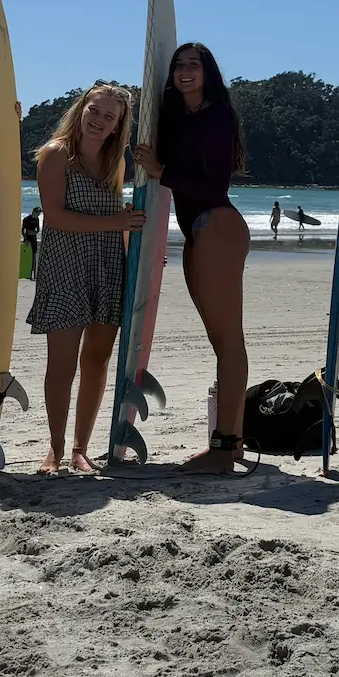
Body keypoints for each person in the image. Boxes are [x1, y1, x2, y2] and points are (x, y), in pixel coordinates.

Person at [133, 43, 249, 473]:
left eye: (193, 65)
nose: (184, 71)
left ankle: (227, 446)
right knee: (224, 342)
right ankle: (229, 442)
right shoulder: (181, 120)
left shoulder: (216, 116)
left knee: (228, 342)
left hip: (217, 225)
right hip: (202, 232)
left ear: (208, 73)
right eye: (179, 65)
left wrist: (162, 172)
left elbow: (214, 184)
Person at [28, 84, 141, 475]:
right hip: (64, 268)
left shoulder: (116, 163)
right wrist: (117, 221)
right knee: (61, 365)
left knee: (96, 361)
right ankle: (55, 449)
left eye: (109, 117)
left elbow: (123, 224)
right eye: (95, 111)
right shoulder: (56, 154)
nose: (99, 120)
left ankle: (80, 449)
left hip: (108, 267)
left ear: (117, 126)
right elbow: (55, 216)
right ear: (81, 110)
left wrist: (141, 255)